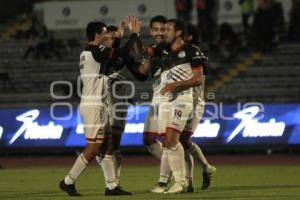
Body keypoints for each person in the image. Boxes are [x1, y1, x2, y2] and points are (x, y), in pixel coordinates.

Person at [59, 20, 139, 196]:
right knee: (94, 147)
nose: (107, 36)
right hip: (93, 104)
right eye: (105, 33)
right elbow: (121, 53)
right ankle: (68, 181)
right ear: (97, 35)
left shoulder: (90, 53)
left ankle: (111, 186)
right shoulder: (94, 51)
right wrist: (134, 35)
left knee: (108, 144)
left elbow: (106, 66)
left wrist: (118, 39)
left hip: (98, 103)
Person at [148, 19, 208, 193]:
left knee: (174, 139)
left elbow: (198, 79)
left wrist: (175, 85)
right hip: (166, 100)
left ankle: (180, 182)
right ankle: (178, 182)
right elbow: (142, 52)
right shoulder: (164, 49)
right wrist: (133, 35)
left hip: (183, 98)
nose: (163, 32)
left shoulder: (192, 51)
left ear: (179, 32)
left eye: (167, 29)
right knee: (167, 141)